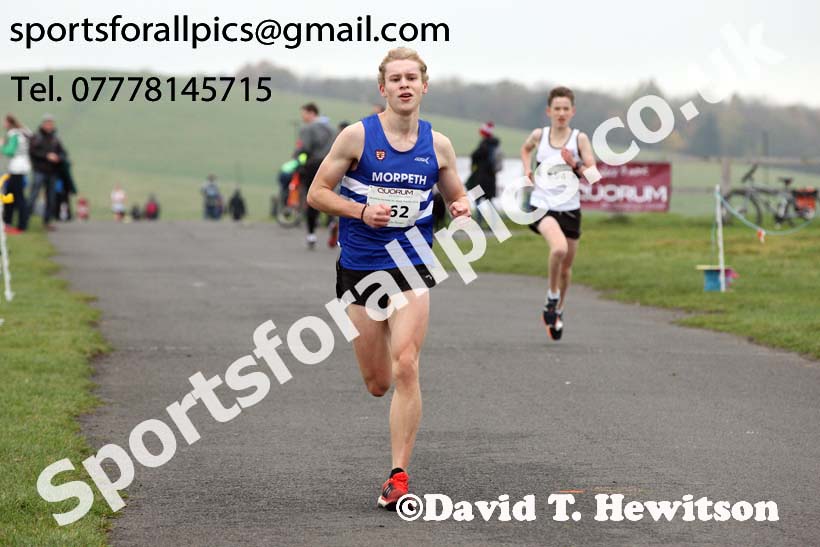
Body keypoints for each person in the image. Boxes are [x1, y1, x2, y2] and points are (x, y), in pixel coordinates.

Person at [307, 47, 471, 510]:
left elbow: (455, 191)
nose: (404, 85)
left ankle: (399, 474)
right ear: (383, 88)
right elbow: (318, 193)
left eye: (411, 78)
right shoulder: (356, 137)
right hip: (360, 269)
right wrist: (360, 210)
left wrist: (460, 206)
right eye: (395, 78)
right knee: (378, 382)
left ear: (424, 86)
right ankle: (390, 430)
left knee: (406, 364)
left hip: (412, 265)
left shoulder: (438, 145)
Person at [520, 86, 596, 341]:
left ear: (572, 112)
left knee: (566, 268)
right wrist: (526, 169)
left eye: (566, 109)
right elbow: (525, 149)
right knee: (559, 249)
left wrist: (574, 163)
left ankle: (558, 310)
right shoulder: (540, 135)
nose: (561, 113)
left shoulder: (579, 139)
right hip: (543, 206)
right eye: (557, 108)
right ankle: (552, 296)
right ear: (549, 111)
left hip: (571, 209)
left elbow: (594, 176)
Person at [294, 103, 335, 249]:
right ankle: (332, 222)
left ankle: (311, 234)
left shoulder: (308, 128)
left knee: (313, 197)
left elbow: (304, 148)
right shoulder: (332, 128)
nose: (303, 117)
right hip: (332, 165)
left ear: (311, 113)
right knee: (331, 196)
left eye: (304, 114)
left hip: (313, 165)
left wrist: (297, 158)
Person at [28, 114, 66, 231]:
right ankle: (25, 219)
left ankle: (47, 221)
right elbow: (32, 152)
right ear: (43, 124)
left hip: (52, 172)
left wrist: (58, 158)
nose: (49, 126)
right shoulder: (36, 137)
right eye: (47, 123)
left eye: (51, 123)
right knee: (33, 195)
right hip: (39, 171)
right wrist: (46, 156)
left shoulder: (55, 139)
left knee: (51, 197)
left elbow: (63, 153)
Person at [1, 114, 31, 233]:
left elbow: (10, 151)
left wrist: (1, 146)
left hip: (17, 168)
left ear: (9, 123)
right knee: (10, 195)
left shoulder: (13, 134)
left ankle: (21, 226)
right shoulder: (22, 132)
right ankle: (7, 223)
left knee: (18, 197)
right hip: (22, 166)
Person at [466, 121, 501, 204]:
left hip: (480, 176)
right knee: (489, 200)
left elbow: (474, 155)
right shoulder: (495, 146)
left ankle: (478, 217)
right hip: (491, 177)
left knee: (477, 198)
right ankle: (491, 216)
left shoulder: (484, 145)